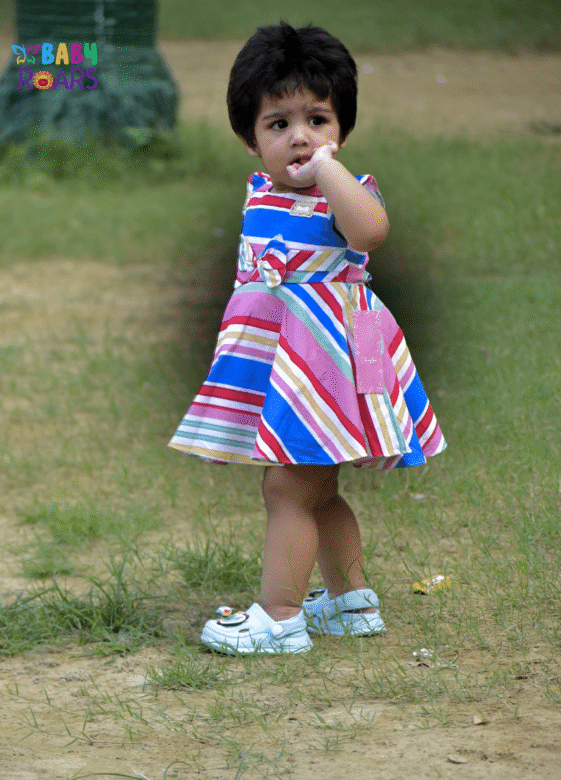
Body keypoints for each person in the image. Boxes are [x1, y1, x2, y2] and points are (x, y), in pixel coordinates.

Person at [169, 22, 446, 654]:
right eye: (278, 124)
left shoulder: (344, 192)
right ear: (251, 140)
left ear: (340, 129)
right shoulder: (262, 192)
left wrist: (329, 173)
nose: (301, 136)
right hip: (281, 367)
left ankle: (280, 616)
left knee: (287, 487)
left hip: (323, 367)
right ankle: (351, 603)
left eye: (317, 120)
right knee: (318, 489)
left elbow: (371, 231)